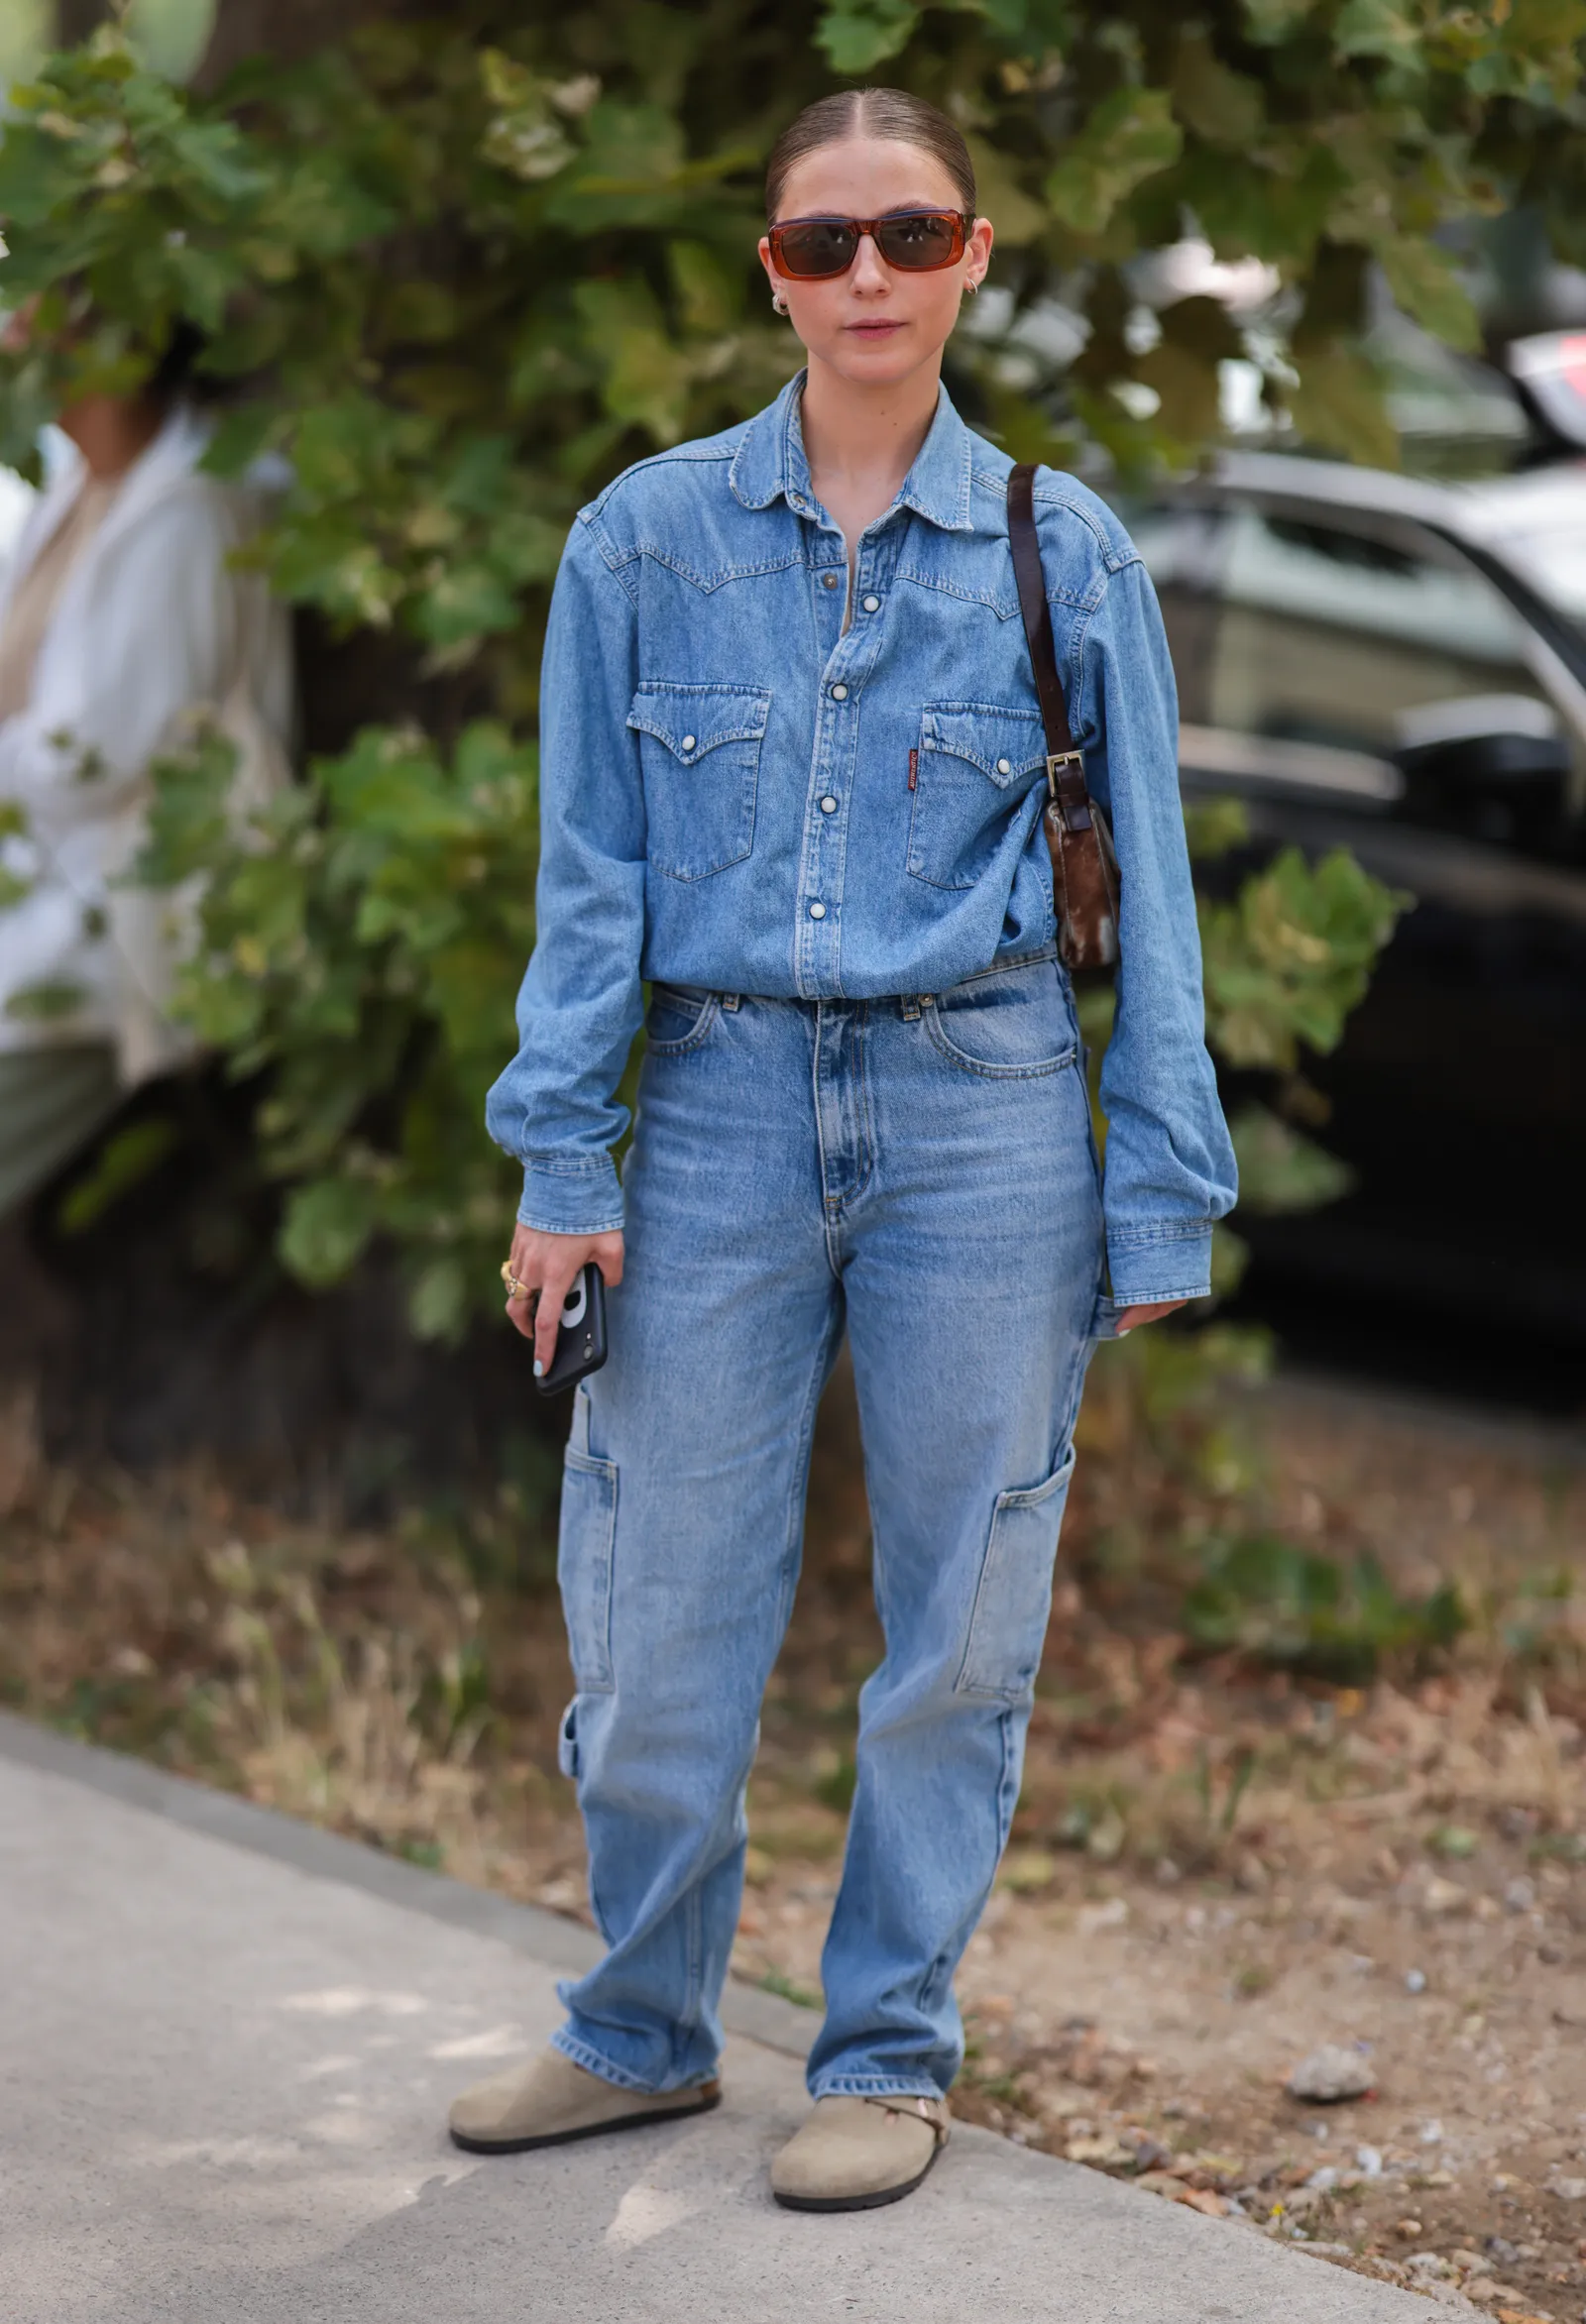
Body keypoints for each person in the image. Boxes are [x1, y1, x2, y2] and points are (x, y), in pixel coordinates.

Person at [453, 87, 1236, 2211]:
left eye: (910, 233)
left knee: (959, 1627)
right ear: (768, 272)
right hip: (703, 1112)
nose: (867, 276)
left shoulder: (1058, 549)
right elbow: (585, 882)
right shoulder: (638, 540)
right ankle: (635, 2024)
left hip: (980, 1121)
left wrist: (1159, 1174)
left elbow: (1146, 886)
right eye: (825, 243)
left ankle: (885, 2049)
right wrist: (562, 1156)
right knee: (650, 1618)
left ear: (975, 254)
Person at [0, 322, 292, 1218]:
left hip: (107, 938)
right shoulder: (74, 493)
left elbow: (89, 758)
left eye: (28, 304)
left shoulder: (190, 508)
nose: (10, 329)